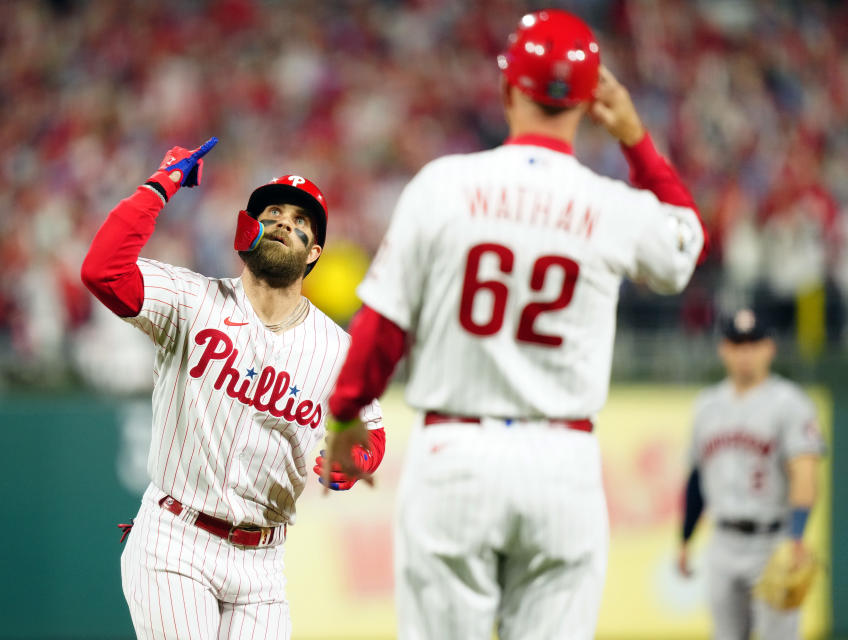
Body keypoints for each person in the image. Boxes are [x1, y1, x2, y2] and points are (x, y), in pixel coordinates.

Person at [319, 9, 707, 639]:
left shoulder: (444, 186)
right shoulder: (610, 206)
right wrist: (636, 140)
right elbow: (688, 245)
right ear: (590, 103)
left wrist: (343, 416)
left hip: (456, 454)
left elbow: (383, 327)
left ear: (507, 91)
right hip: (563, 459)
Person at [81, 138, 386, 639]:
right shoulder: (191, 300)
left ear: (314, 253)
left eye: (302, 220)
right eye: (274, 211)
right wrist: (161, 186)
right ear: (249, 229)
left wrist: (353, 462)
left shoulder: (337, 349)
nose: (286, 221)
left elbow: (371, 434)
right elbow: (103, 272)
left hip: (263, 565)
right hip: (176, 540)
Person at [678, 309, 824, 640]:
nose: (745, 353)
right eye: (736, 344)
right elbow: (696, 479)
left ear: (769, 348)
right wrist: (685, 539)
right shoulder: (706, 405)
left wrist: (797, 536)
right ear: (723, 349)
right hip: (723, 542)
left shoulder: (791, 403)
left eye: (753, 344)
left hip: (773, 542)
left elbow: (805, 473)